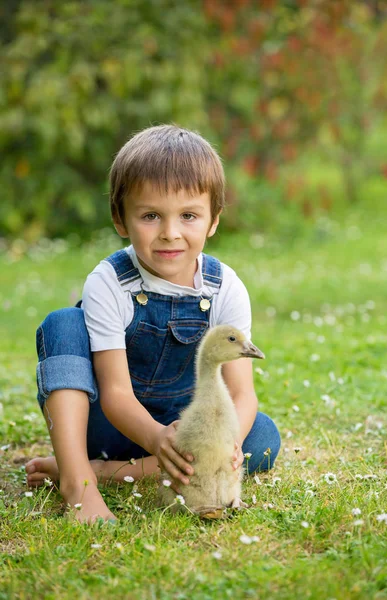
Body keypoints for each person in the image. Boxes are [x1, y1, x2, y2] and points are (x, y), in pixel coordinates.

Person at [25, 125, 281, 523]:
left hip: (186, 426)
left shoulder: (224, 287)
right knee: (64, 322)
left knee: (262, 438)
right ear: (120, 219)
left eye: (189, 215)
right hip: (110, 425)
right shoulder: (109, 282)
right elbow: (115, 394)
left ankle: (110, 473)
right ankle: (79, 481)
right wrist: (156, 438)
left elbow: (242, 393)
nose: (170, 233)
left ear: (213, 219)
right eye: (150, 216)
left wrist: (228, 442)